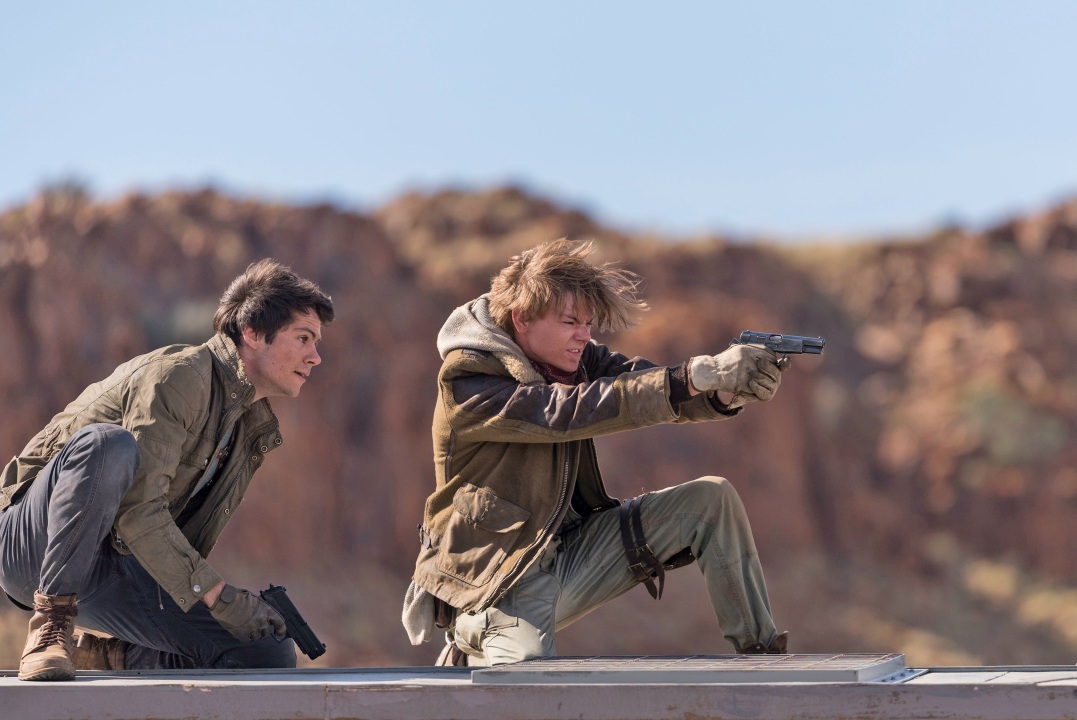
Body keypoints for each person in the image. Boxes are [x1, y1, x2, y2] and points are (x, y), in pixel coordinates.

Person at [402, 238, 789, 666]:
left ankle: (761, 656)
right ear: (522, 318)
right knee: (527, 682)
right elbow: (563, 411)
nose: (584, 336)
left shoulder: (576, 358)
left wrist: (724, 391)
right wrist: (696, 375)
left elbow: (650, 383)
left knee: (711, 500)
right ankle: (469, 637)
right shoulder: (466, 379)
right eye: (570, 322)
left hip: (571, 552)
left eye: (588, 323)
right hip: (498, 581)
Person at [0, 258, 334, 680]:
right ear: (252, 332)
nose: (315, 357)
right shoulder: (179, 377)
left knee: (264, 652)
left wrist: (230, 611)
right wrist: (219, 595)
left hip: (116, 560)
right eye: (303, 338)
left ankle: (111, 655)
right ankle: (50, 628)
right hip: (32, 545)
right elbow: (139, 511)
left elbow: (168, 537)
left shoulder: (248, 425)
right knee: (108, 445)